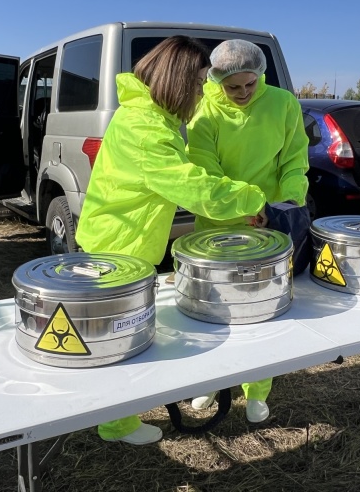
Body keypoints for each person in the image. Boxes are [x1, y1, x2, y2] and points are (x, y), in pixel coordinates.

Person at [75, 36, 267, 445]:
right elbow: (195, 189)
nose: (201, 92)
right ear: (179, 82)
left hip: (121, 240)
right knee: (118, 337)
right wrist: (253, 197)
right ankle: (116, 424)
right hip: (119, 249)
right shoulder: (147, 129)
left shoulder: (147, 115)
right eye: (198, 84)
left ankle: (117, 420)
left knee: (118, 333)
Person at [185, 39, 310, 423]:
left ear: (261, 76)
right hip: (219, 224)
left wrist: (284, 205)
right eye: (232, 87)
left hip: (269, 224)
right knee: (212, 308)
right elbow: (205, 172)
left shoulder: (283, 103)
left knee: (262, 309)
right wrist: (244, 208)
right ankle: (210, 381)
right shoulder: (203, 110)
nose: (242, 94)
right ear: (217, 81)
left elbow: (293, 159)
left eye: (250, 85)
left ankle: (258, 389)